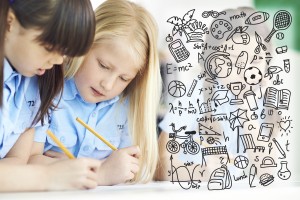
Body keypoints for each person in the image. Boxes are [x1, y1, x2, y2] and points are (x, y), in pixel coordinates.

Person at [29, 0, 162, 185]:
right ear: (84, 45)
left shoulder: (128, 109)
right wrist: (102, 173)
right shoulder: (48, 88)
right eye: (103, 66)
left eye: (124, 78)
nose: (107, 85)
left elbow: (130, 169)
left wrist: (69, 169)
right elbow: (28, 161)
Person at [155, 6, 282, 185]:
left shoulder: (264, 100)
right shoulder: (195, 95)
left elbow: (266, 169)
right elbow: (159, 166)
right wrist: (203, 171)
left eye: (255, 60)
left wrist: (247, 113)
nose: (244, 71)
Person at [0, 0, 101, 192]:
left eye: (64, 53)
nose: (56, 61)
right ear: (9, 22)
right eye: (48, 47)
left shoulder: (33, 83)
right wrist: (46, 176)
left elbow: (16, 162)